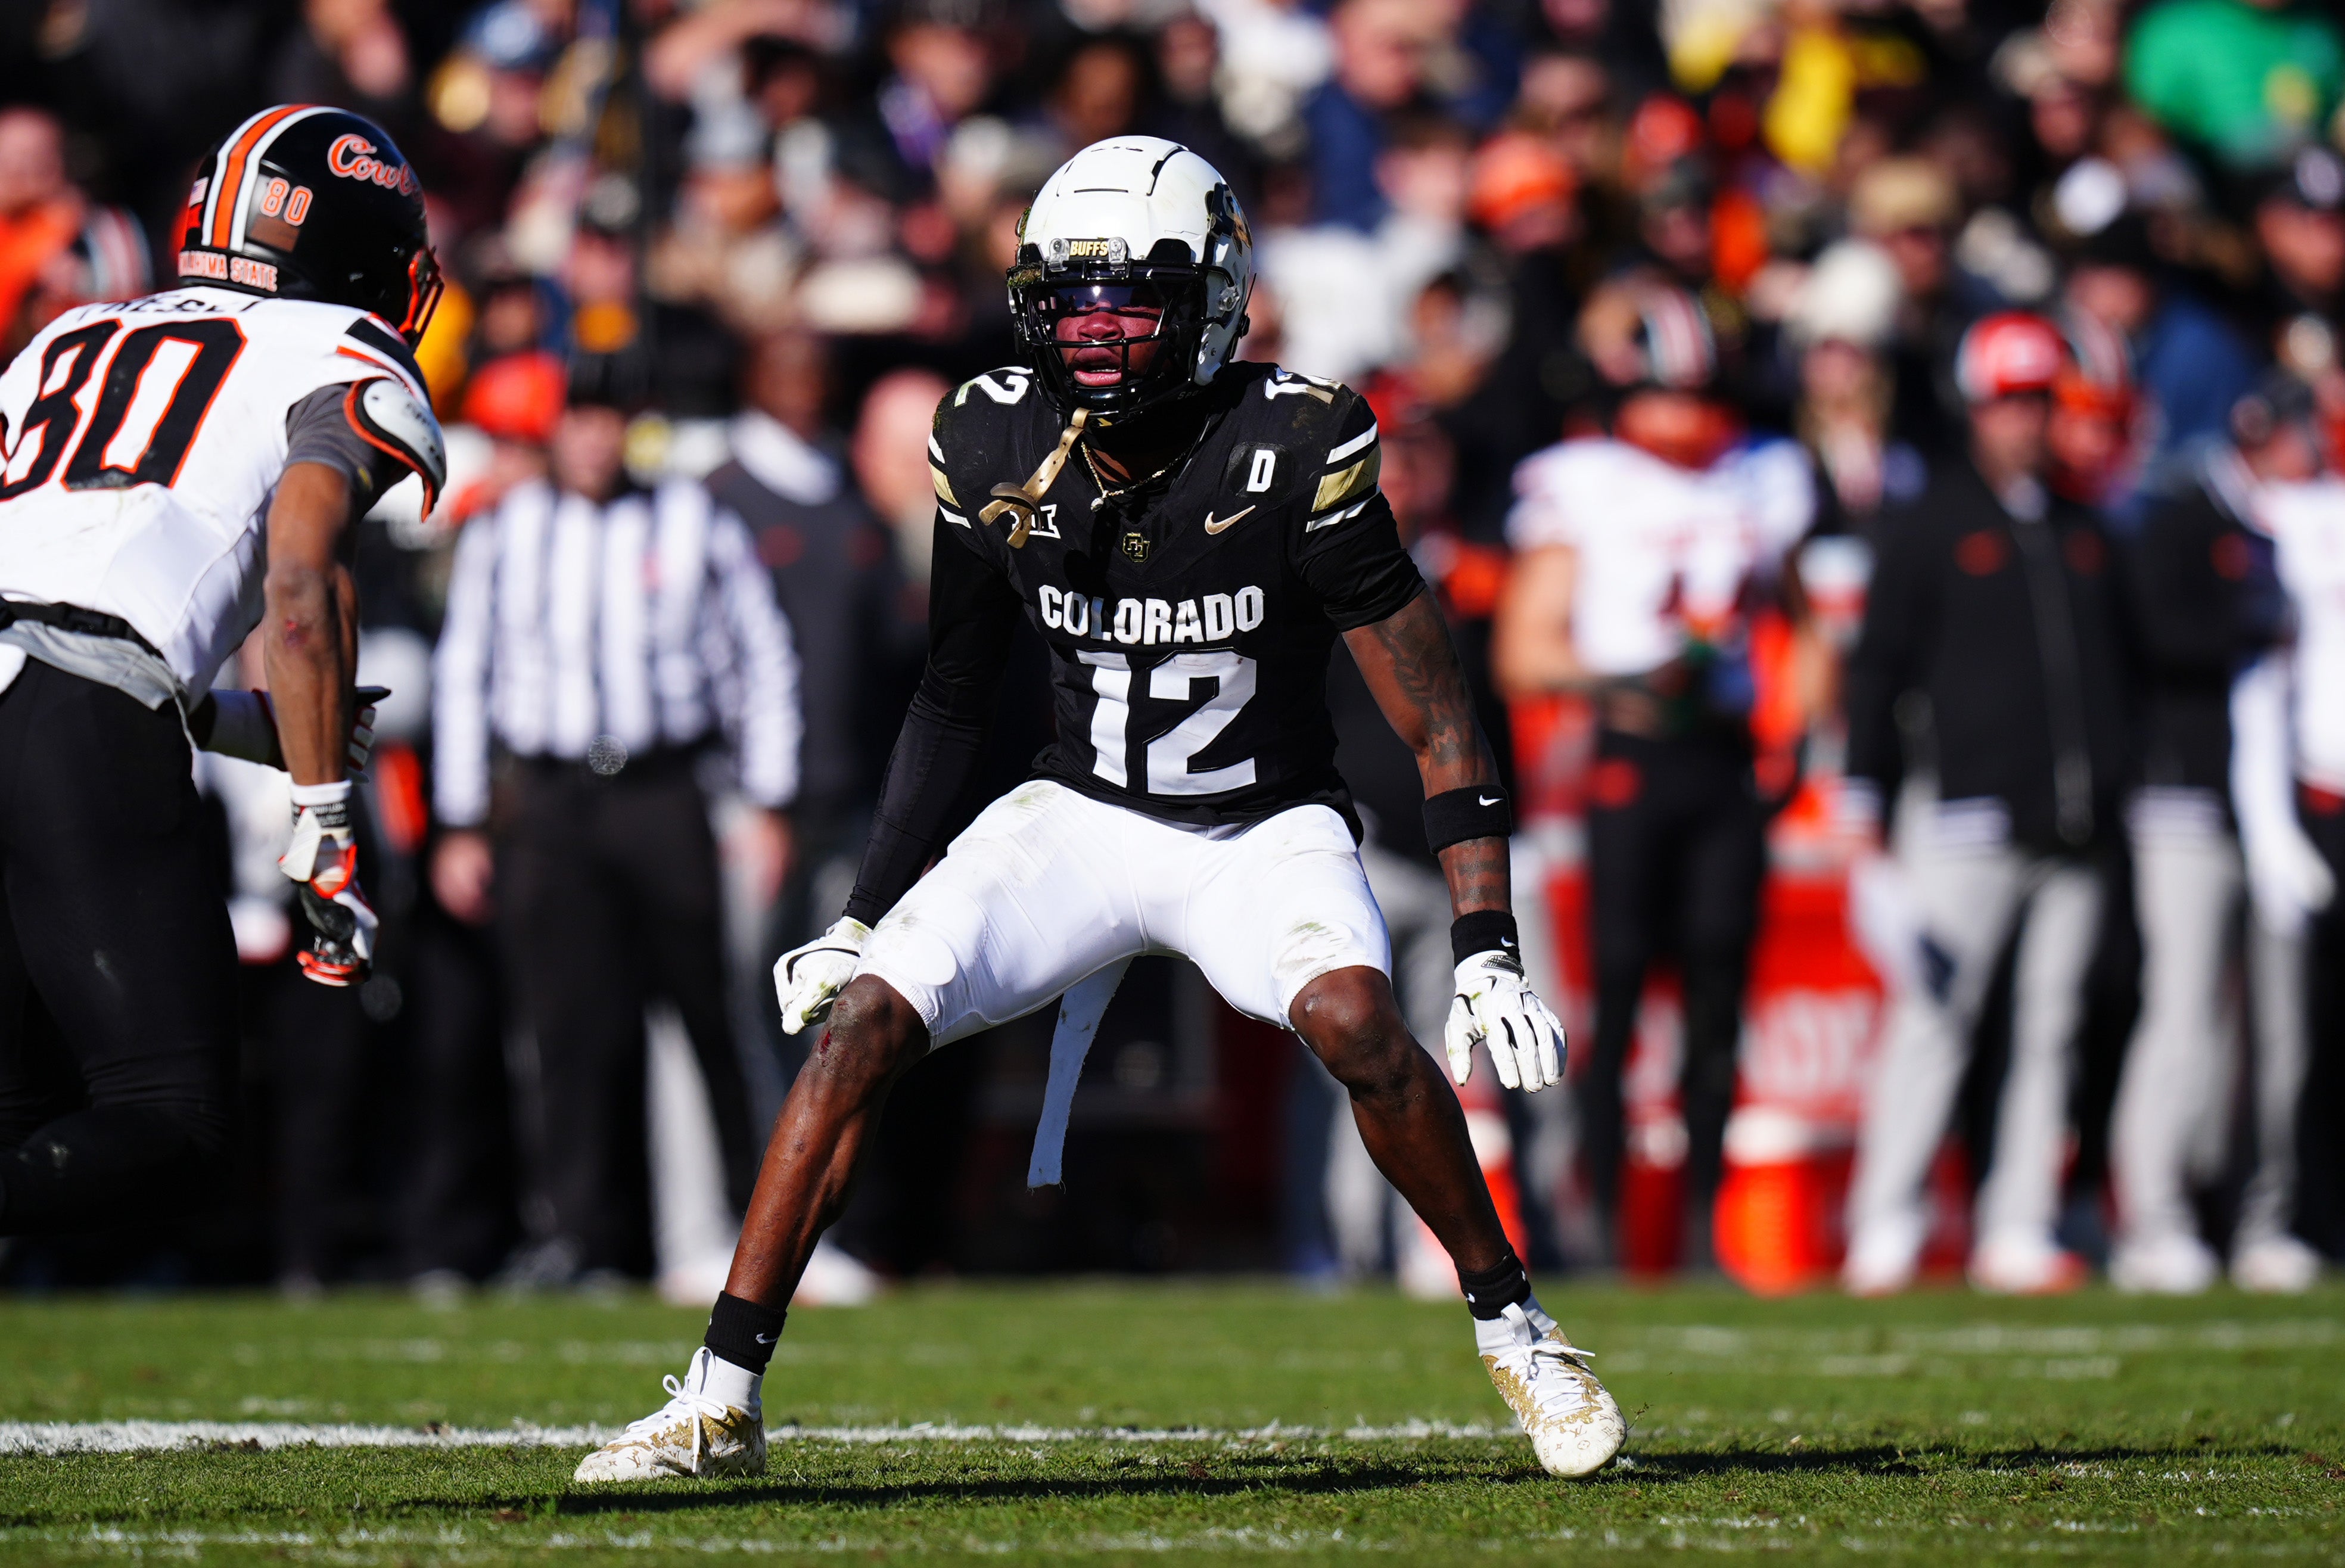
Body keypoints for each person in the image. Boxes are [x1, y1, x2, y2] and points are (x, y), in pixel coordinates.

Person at [574, 136, 1617, 1483]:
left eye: (1131, 300)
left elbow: (1439, 711)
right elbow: (953, 696)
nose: (1098, 332)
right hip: (1079, 810)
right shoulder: (994, 431)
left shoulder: (1295, 441)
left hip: (1261, 822)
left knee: (1362, 1021)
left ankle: (1521, 1331)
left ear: (1214, 301)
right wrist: (860, 912)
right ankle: (718, 1398)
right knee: (860, 1026)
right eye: (1071, 301)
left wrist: (1486, 937)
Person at [0, 106, 444, 1234]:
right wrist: (325, 818)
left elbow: (58, 578)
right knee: (170, 1110)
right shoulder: (339, 348)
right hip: (74, 717)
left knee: (21, 1106)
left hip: (56, 690)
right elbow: (299, 583)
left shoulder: (69, 335)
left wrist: (219, 713)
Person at [429, 371, 802, 1285]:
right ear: (555, 432)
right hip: (551, 801)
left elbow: (763, 655)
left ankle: (757, 1235)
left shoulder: (695, 521)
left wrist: (767, 799)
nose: (594, 442)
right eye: (579, 422)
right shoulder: (505, 531)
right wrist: (461, 821)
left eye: (609, 423)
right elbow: (464, 670)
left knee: (712, 1016)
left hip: (664, 789)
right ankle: (585, 1239)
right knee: (569, 1026)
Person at [1494, 282, 1817, 1270]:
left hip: (1720, 759)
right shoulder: (1581, 481)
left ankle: (1703, 1226)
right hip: (1629, 748)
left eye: (1702, 395)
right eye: (1668, 395)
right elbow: (1524, 650)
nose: (1687, 418)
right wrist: (1629, 676)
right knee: (1623, 991)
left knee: (1719, 994)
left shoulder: (1762, 475)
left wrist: (1789, 730)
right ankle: (1601, 1228)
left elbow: (1804, 627)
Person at [1839, 312, 2135, 1296]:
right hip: (1966, 815)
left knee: (2050, 1028)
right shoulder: (1931, 523)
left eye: (2041, 400)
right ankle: (1887, 1218)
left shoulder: (2082, 523)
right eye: (2012, 402)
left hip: (2076, 822)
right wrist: (1865, 813)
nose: (2027, 421)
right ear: (1977, 407)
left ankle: (2020, 1221)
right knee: (1936, 1020)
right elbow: (1876, 670)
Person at [2110, 374, 2328, 1293]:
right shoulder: (2186, 521)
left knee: (2280, 1031)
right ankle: (2155, 1214)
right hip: (2189, 797)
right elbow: (2156, 636)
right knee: (2186, 1012)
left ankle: (2263, 1216)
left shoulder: (2301, 527)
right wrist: (2254, 620)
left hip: (2280, 805)